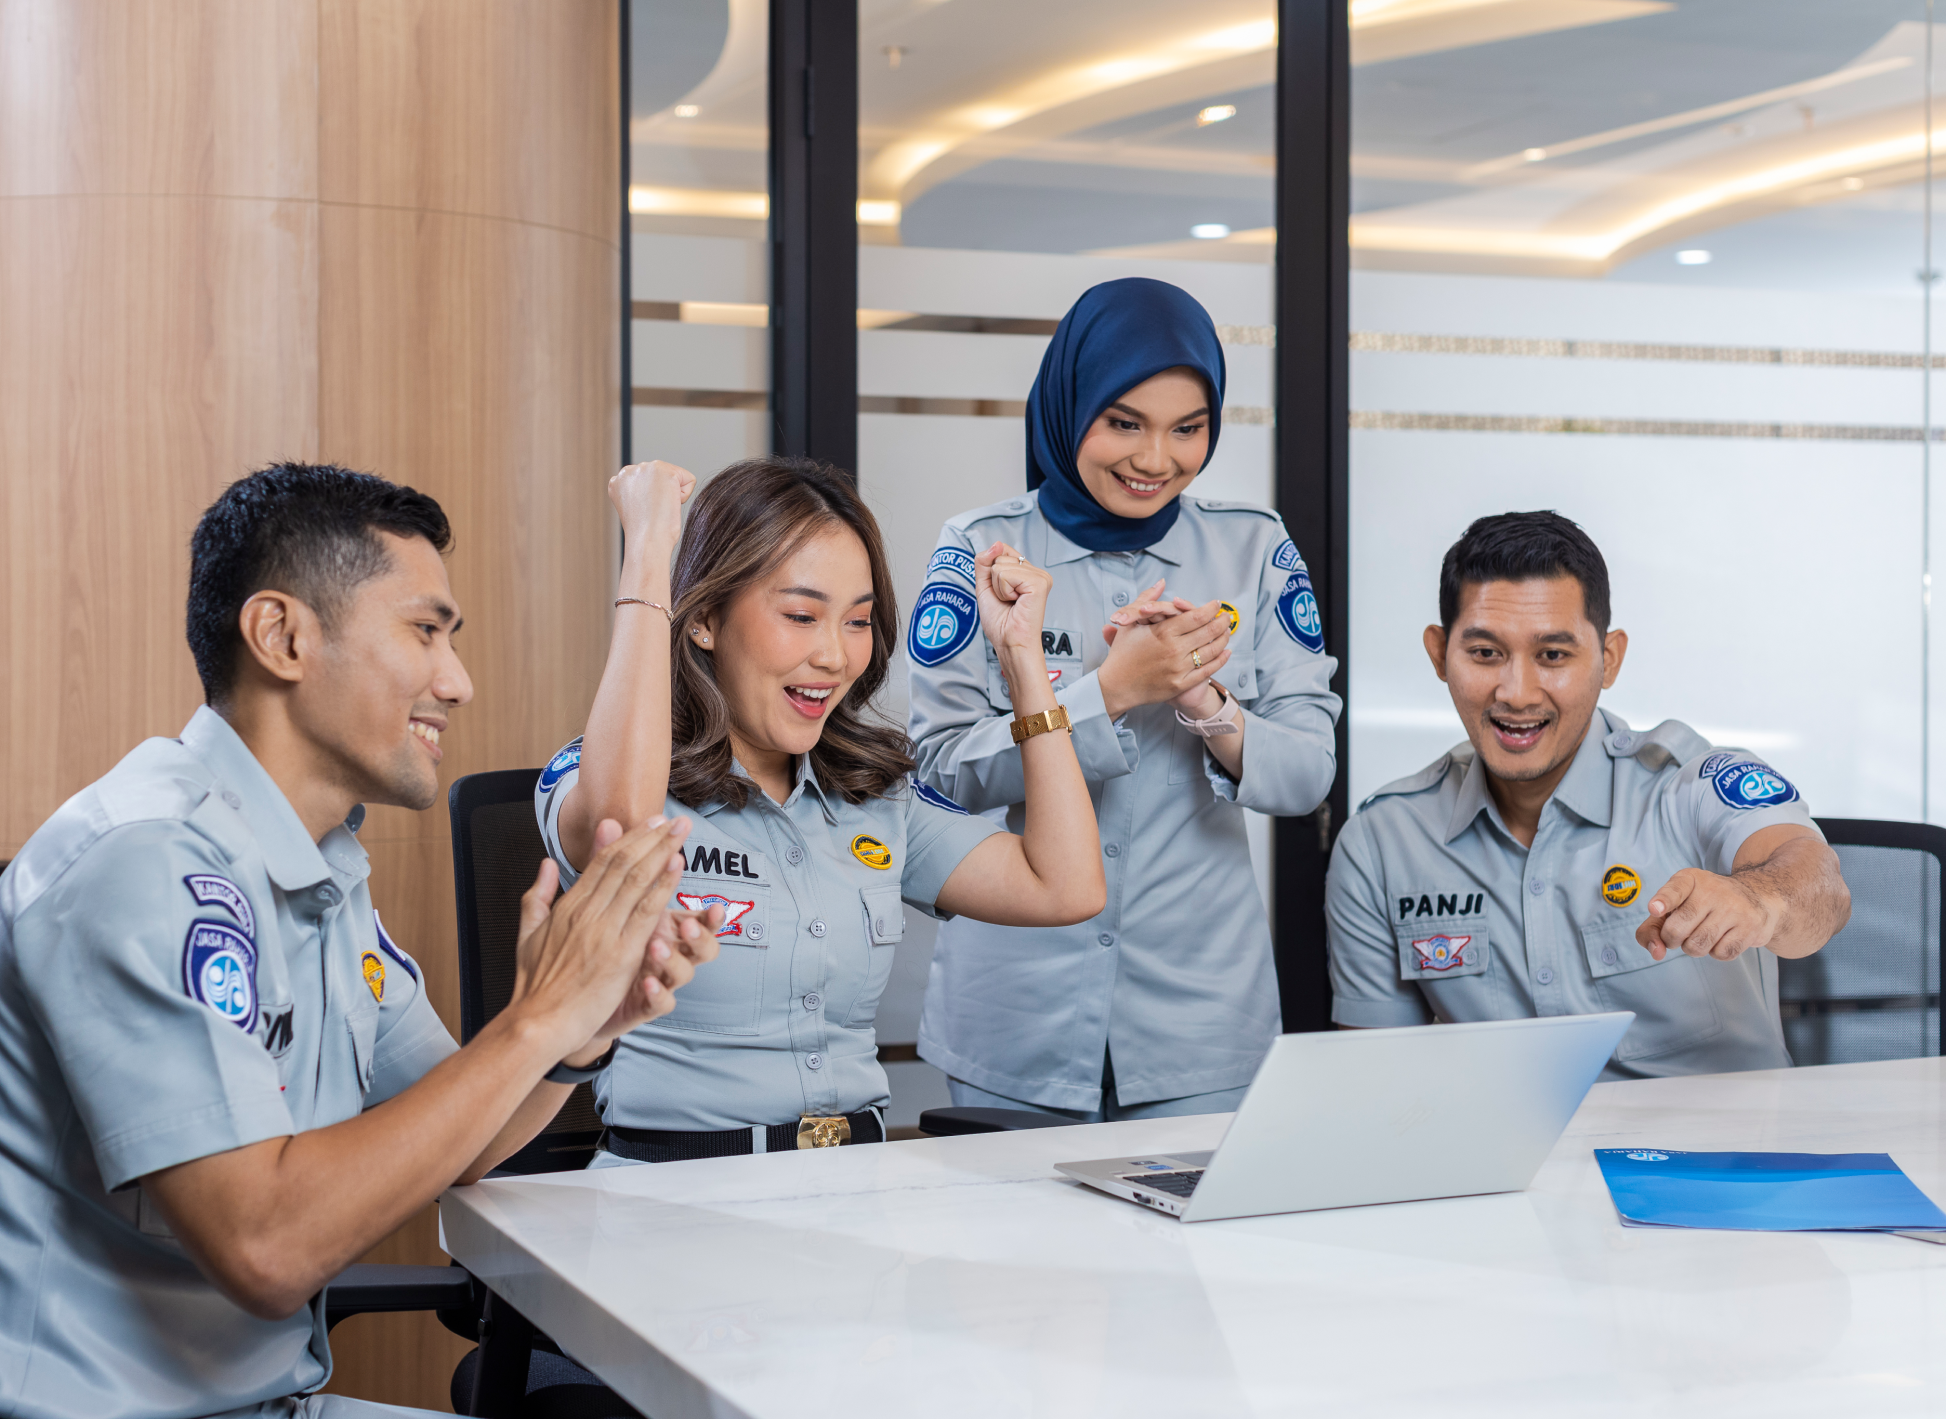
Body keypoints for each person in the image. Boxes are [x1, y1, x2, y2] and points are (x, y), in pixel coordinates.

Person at [0, 463, 721, 1419]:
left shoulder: (314, 864)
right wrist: (532, 1021)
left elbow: (459, 1136)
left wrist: (580, 1029)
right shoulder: (145, 863)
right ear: (282, 636)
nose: (456, 682)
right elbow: (268, 1248)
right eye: (424, 631)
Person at [536, 455, 1105, 1164]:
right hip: (673, 1186)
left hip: (855, 1182)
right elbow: (619, 824)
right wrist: (650, 549)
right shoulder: (601, 773)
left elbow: (1065, 886)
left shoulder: (873, 793)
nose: (835, 656)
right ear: (705, 617)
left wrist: (1022, 662)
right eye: (801, 616)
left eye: (858, 621)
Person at [908, 277, 1341, 1121]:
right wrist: (1107, 692)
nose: (1154, 460)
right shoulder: (982, 550)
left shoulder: (1254, 546)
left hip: (1200, 1026)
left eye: (1187, 428)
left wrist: (1205, 702)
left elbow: (1306, 777)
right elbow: (941, 775)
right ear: (1070, 407)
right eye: (1123, 423)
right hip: (1015, 1018)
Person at [1326, 511, 1850, 1076]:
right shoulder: (1383, 843)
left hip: (1721, 1133)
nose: (1516, 693)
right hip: (1519, 1135)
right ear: (1439, 654)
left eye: (1553, 655)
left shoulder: (1691, 785)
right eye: (1485, 653)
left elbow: (1821, 886)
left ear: (1609, 659)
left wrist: (1759, 901)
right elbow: (1378, 1084)